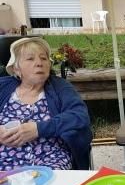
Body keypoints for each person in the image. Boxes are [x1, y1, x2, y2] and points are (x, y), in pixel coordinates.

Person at [0, 37, 92, 170]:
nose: (39, 63)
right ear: (16, 68)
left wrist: (38, 129)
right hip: (5, 159)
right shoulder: (3, 87)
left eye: (43, 58)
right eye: (30, 59)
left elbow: (79, 116)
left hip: (50, 158)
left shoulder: (60, 87)